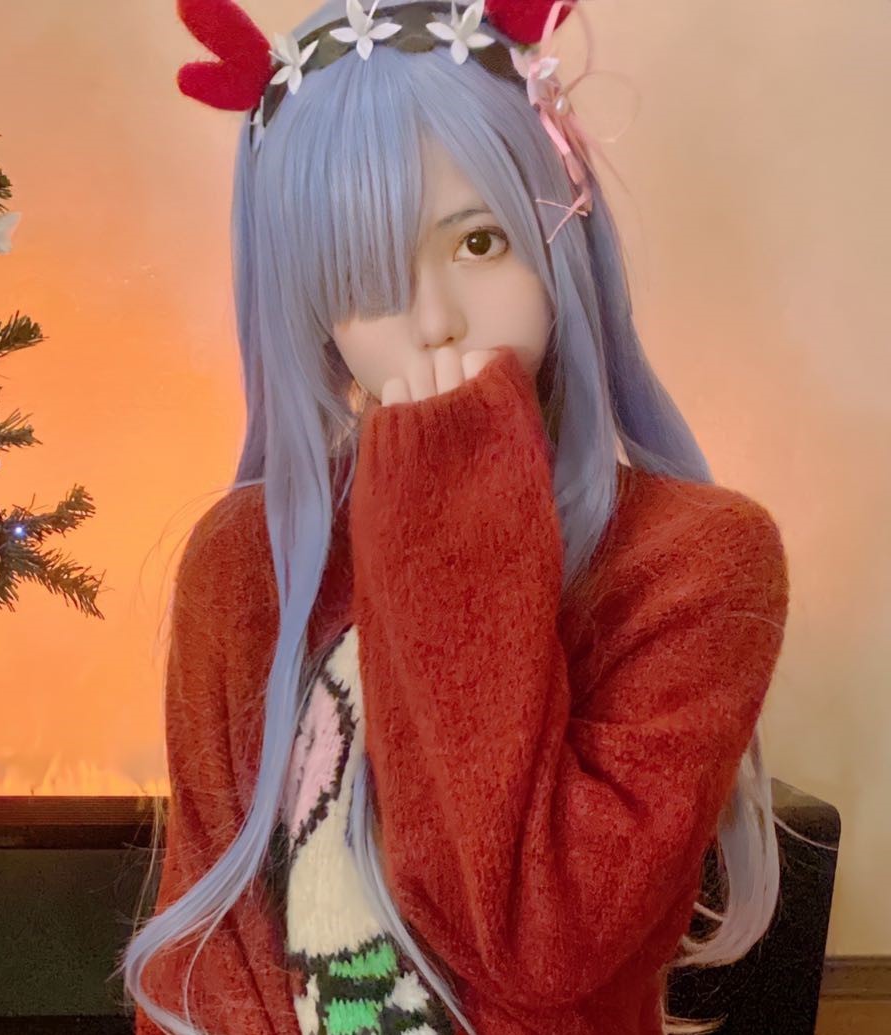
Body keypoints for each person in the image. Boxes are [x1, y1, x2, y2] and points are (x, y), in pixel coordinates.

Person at [120, 2, 798, 1033]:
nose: (434, 319)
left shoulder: (695, 561)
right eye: (366, 278)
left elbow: (537, 939)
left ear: (558, 234)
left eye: (478, 242)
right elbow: (205, 962)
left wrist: (452, 507)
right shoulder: (243, 560)